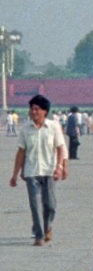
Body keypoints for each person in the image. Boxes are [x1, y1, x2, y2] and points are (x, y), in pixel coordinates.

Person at [9, 94, 67, 246]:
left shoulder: (53, 126)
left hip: (49, 171)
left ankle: (48, 226)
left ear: (44, 111)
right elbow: (21, 152)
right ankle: (39, 235)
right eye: (31, 109)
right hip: (31, 171)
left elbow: (61, 148)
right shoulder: (25, 129)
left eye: (36, 109)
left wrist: (60, 167)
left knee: (50, 205)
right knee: (35, 204)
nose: (33, 112)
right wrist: (15, 174)